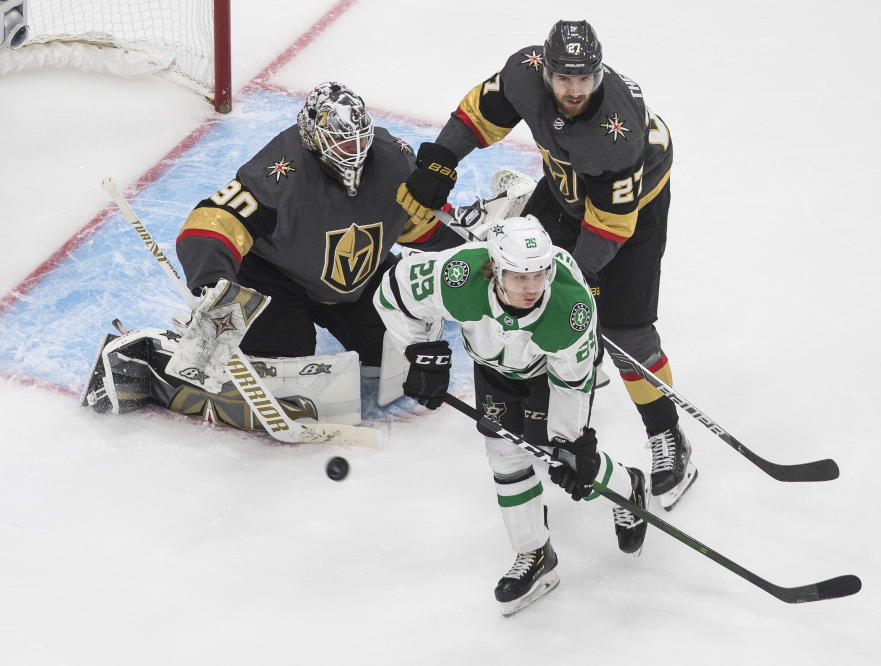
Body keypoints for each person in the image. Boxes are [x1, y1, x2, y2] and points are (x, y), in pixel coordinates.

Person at [395, 20, 697, 510]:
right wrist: (441, 159)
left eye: (584, 79)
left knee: (626, 333)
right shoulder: (524, 72)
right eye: (563, 79)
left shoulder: (616, 133)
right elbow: (479, 114)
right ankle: (544, 408)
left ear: (598, 75)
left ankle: (667, 434)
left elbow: (609, 228)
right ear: (547, 71)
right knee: (518, 289)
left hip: (631, 216)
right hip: (563, 191)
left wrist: (573, 283)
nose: (573, 90)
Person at [81, 81, 464, 429]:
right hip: (277, 278)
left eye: (361, 140)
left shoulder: (394, 160)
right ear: (315, 136)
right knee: (288, 366)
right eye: (344, 144)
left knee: (394, 351)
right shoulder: (279, 171)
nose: (356, 152)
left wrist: (468, 253)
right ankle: (150, 358)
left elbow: (416, 225)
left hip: (357, 279)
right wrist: (214, 281)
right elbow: (211, 224)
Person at [375, 214, 651, 616]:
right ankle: (534, 554)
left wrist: (570, 443)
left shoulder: (568, 309)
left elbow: (572, 385)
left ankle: (628, 488)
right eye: (520, 278)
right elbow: (393, 291)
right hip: (493, 368)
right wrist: (421, 352)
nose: (532, 287)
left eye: (539, 275)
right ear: (495, 269)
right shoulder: (459, 274)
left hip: (551, 373)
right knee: (504, 457)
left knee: (558, 456)